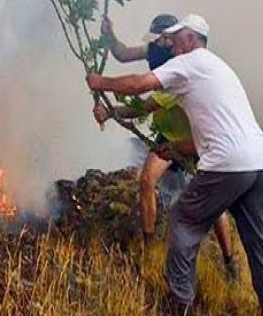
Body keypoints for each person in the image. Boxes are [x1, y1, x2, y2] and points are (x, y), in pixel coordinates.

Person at [87, 14, 263, 316]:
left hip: (228, 164)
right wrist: (119, 116)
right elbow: (208, 128)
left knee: (184, 219)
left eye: (175, 37)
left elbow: (141, 84)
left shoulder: (188, 63)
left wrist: (101, 82)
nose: (169, 43)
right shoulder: (219, 68)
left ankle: (180, 305)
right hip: (261, 164)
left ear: (190, 38)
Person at [99, 14, 238, 281]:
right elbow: (123, 53)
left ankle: (229, 261)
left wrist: (110, 110)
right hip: (167, 135)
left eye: (163, 39)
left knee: (216, 206)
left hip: (194, 139)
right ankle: (149, 245)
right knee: (146, 180)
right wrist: (108, 35)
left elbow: (146, 104)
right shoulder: (155, 50)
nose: (159, 44)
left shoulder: (182, 66)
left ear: (170, 37)